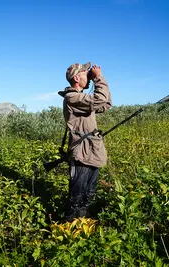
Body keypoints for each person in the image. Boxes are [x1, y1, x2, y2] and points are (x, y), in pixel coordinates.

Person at [58, 62, 112, 222]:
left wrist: (100, 80)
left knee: (88, 193)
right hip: (81, 151)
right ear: (76, 77)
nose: (88, 75)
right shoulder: (72, 97)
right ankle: (68, 228)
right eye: (84, 73)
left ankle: (83, 225)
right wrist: (98, 79)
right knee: (77, 194)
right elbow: (100, 99)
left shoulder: (82, 98)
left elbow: (106, 104)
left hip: (92, 150)